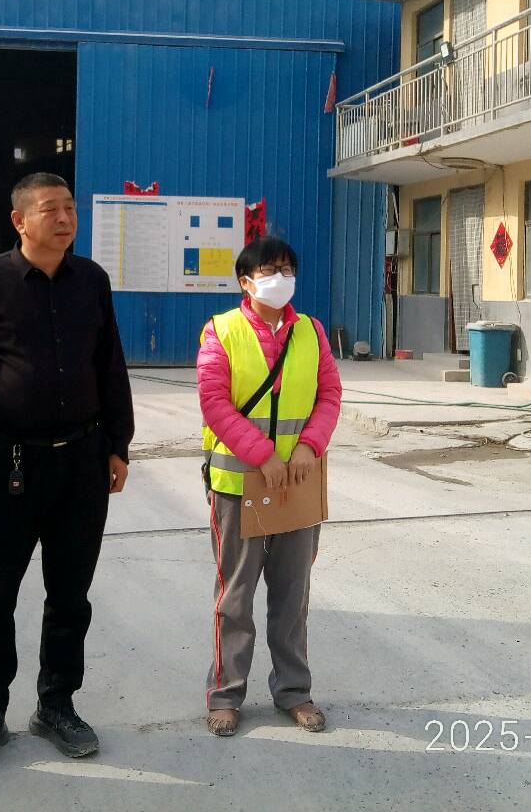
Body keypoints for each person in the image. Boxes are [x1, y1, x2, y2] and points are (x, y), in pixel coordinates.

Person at [0, 172, 134, 774]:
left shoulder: (92, 280)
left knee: (70, 594)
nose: (65, 218)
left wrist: (118, 444)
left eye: (70, 207)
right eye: (51, 209)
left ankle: (57, 706)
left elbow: (110, 363)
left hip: (82, 460)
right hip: (8, 464)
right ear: (19, 220)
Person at [196, 235, 342, 738]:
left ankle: (294, 692)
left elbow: (329, 395)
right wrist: (262, 455)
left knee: (292, 596)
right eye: (269, 270)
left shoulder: (312, 332)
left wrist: (309, 447)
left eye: (287, 269)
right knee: (235, 598)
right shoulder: (221, 331)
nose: (280, 278)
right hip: (238, 486)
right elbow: (215, 402)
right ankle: (225, 695)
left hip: (296, 485)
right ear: (246, 281)